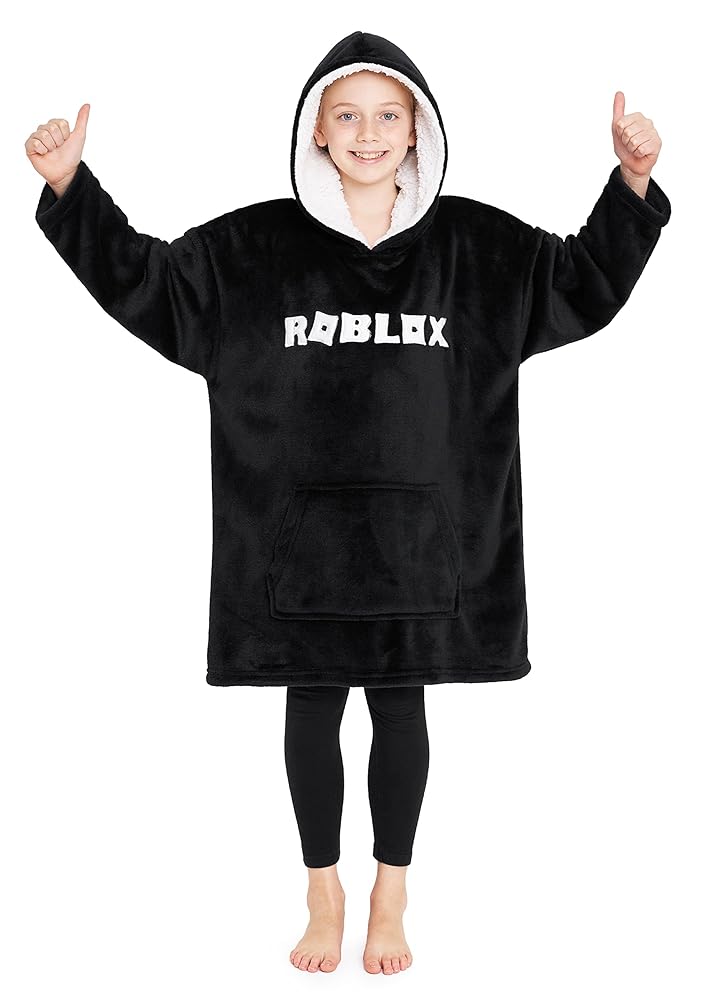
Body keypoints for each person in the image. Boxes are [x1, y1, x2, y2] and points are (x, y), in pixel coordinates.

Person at [26, 30, 671, 977]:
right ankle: (322, 889)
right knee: (312, 710)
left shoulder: (477, 249)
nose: (369, 133)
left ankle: (392, 892)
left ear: (417, 130)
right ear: (317, 131)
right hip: (303, 556)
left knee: (402, 712)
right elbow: (152, 286)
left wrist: (631, 186)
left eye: (388, 115)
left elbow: (581, 283)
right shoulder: (251, 250)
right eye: (348, 115)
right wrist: (72, 189)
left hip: (422, 552)